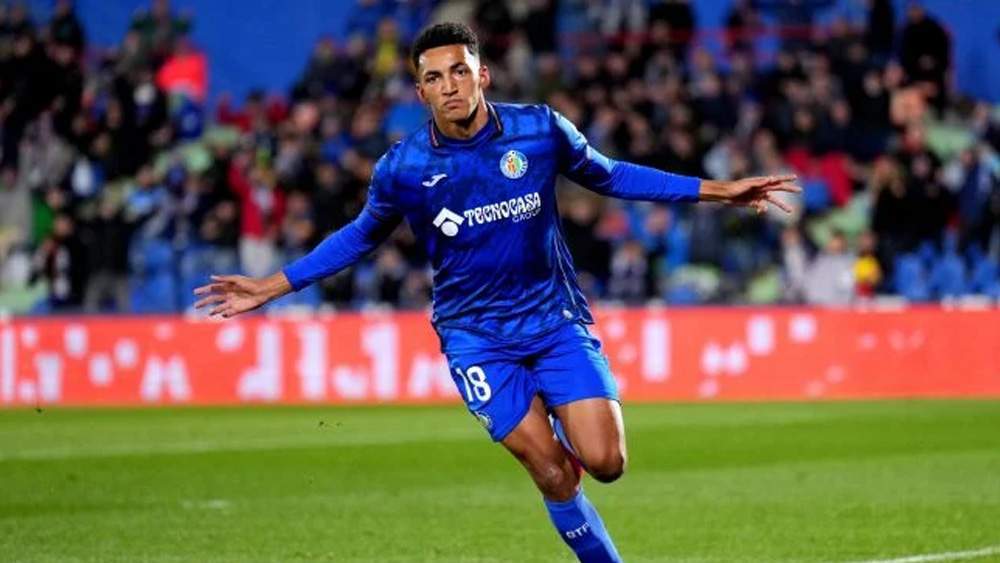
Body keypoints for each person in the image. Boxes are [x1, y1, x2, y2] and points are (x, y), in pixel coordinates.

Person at [194, 23, 799, 562]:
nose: (450, 85)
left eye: (460, 70)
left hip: (554, 320)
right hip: (476, 338)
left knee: (607, 463)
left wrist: (717, 191)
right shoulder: (403, 169)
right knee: (555, 476)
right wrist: (271, 285)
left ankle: (566, 415)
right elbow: (359, 237)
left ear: (482, 74)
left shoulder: (539, 130)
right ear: (420, 93)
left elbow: (612, 174)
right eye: (434, 78)